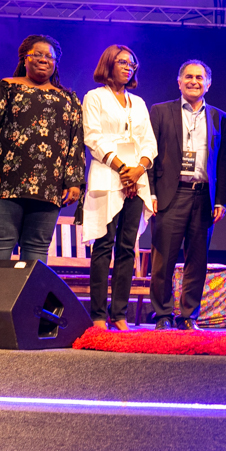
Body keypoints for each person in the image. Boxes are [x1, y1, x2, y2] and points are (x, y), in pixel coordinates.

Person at [0, 35, 85, 268]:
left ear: (56, 63)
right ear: (24, 58)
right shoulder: (4, 88)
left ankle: (28, 294)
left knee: (37, 248)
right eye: (37, 54)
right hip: (4, 183)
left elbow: (75, 141)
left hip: (49, 186)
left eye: (49, 56)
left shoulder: (69, 99)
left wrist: (73, 181)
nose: (44, 59)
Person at [147, 60, 226, 330]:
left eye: (199, 77)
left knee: (197, 260)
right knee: (163, 259)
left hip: (203, 197)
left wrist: (222, 199)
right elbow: (149, 155)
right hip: (170, 196)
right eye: (189, 77)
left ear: (208, 84)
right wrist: (150, 193)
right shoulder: (160, 112)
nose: (194, 81)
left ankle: (188, 316)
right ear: (179, 81)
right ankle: (162, 315)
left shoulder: (219, 117)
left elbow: (224, 161)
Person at [82, 44, 157, 331]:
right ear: (109, 64)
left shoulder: (138, 102)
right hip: (108, 177)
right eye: (123, 62)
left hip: (136, 180)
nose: (128, 67)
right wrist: (122, 168)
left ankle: (120, 314)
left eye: (132, 64)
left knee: (127, 248)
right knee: (104, 246)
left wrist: (138, 169)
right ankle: (98, 315)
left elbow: (148, 142)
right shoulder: (95, 97)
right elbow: (93, 137)